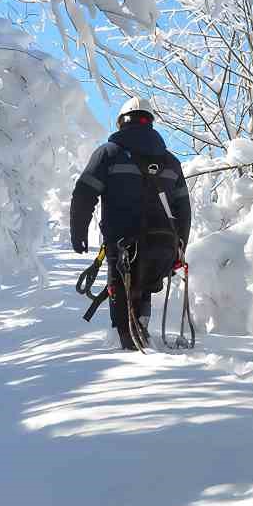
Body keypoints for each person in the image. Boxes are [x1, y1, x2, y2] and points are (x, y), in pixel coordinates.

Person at [70, 97, 191, 351]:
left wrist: (78, 231)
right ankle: (141, 331)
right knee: (143, 287)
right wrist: (180, 248)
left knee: (123, 291)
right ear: (150, 122)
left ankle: (127, 347)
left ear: (122, 122)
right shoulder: (171, 162)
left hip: (122, 244)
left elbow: (84, 192)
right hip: (164, 245)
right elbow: (183, 209)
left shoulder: (109, 153)